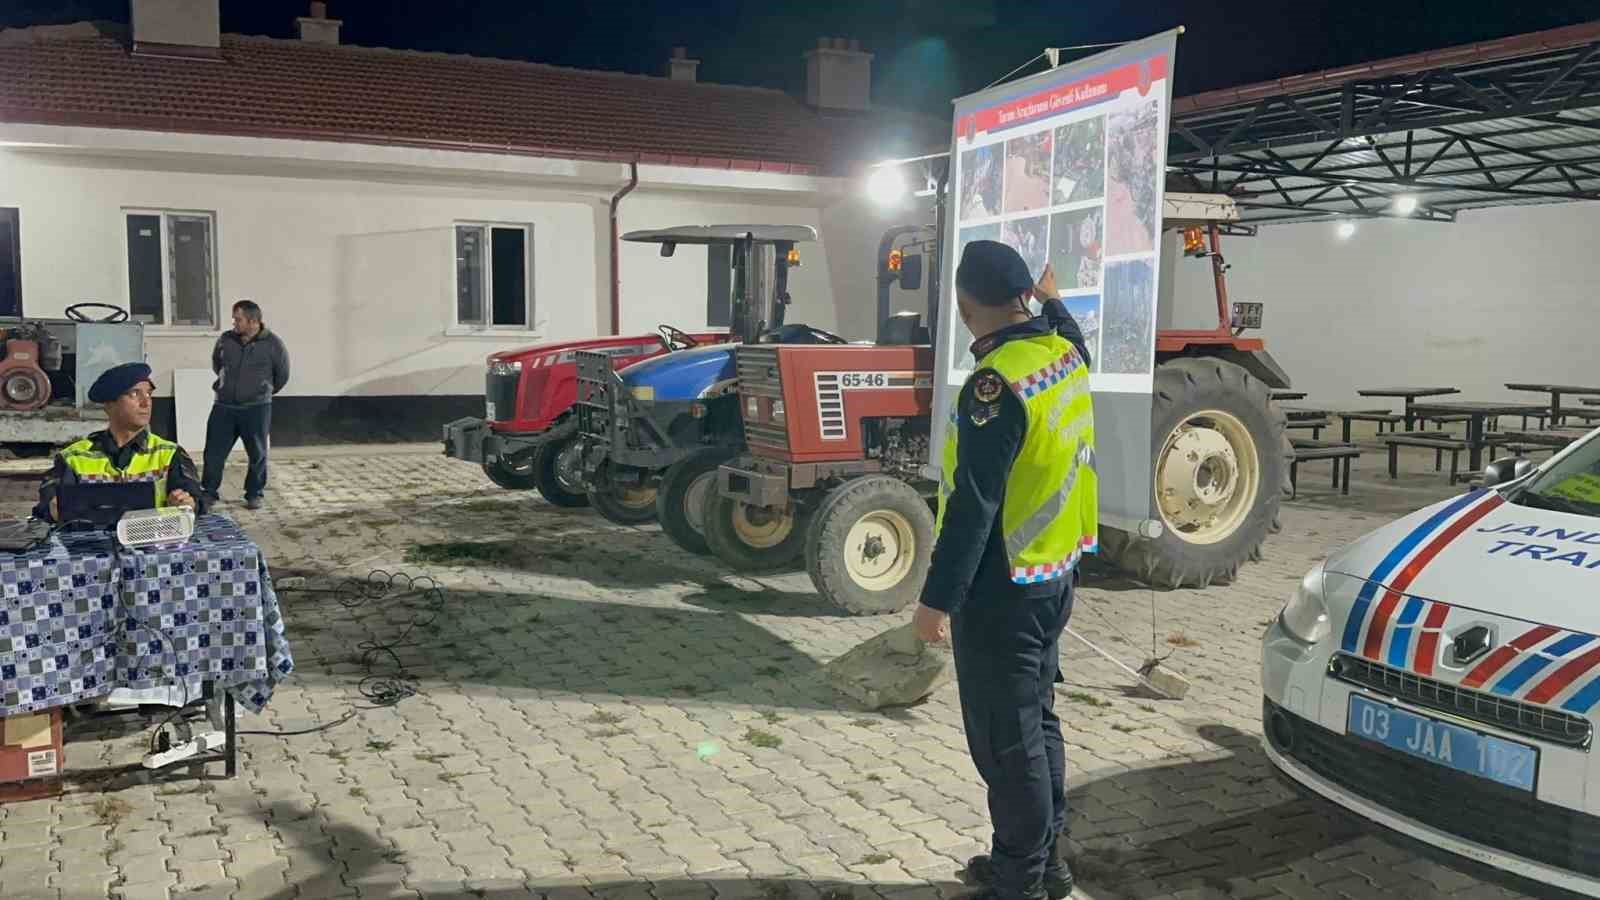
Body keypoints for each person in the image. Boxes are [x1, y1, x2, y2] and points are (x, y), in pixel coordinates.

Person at [913, 240, 1097, 900]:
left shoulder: (996, 384)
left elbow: (974, 506)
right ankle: (1045, 865)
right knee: (1036, 722)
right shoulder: (1062, 356)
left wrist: (936, 600)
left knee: (1005, 744)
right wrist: (1054, 299)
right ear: (1023, 296)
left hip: (1002, 589)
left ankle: (1018, 880)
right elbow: (1073, 332)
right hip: (1053, 575)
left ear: (965, 307)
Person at [34, 362, 204, 523]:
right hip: (91, 548)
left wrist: (189, 505)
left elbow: (199, 503)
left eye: (149, 394)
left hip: (151, 547)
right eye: (135, 394)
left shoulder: (169, 454)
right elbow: (45, 507)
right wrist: (52, 509)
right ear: (109, 405)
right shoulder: (73, 458)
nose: (146, 403)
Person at [201, 299, 289, 510]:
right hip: (224, 407)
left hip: (256, 409)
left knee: (257, 453)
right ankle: (209, 492)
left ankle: (254, 493)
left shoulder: (273, 344)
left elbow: (282, 375)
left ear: (253, 321)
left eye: (238, 319)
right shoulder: (225, 340)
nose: (234, 323)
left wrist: (262, 391)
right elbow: (217, 363)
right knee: (213, 452)